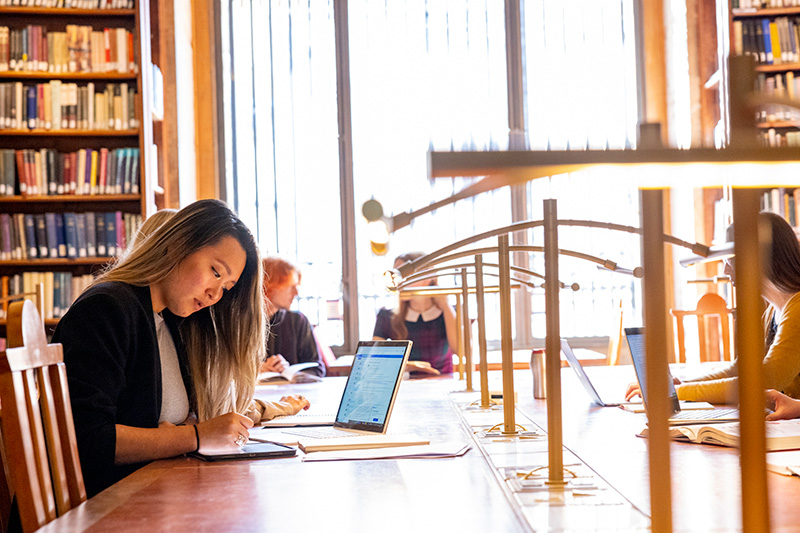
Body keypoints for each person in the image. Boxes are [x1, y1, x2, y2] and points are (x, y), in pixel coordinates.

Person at [52, 200, 309, 497]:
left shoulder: (170, 321)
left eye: (226, 287)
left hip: (149, 494)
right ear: (177, 245)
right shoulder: (108, 308)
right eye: (215, 272)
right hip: (105, 508)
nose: (215, 295)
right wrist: (195, 436)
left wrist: (182, 432)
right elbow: (86, 438)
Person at [625, 211, 800, 405]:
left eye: (730, 259)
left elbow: (766, 379)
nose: (726, 269)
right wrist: (680, 387)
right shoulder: (773, 309)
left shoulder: (797, 309)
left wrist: (678, 392)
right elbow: (740, 369)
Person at [372, 251, 458, 374]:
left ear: (427, 279)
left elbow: (461, 351)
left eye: (403, 275)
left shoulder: (450, 312)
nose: (398, 282)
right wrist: (407, 365)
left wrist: (445, 305)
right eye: (395, 275)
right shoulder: (386, 316)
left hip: (442, 384)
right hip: (405, 386)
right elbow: (375, 360)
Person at [260, 257, 325, 379]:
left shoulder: (298, 321)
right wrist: (256, 370)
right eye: (290, 286)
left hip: (292, 395)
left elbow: (317, 369)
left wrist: (289, 372)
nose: (296, 293)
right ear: (269, 286)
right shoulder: (241, 323)